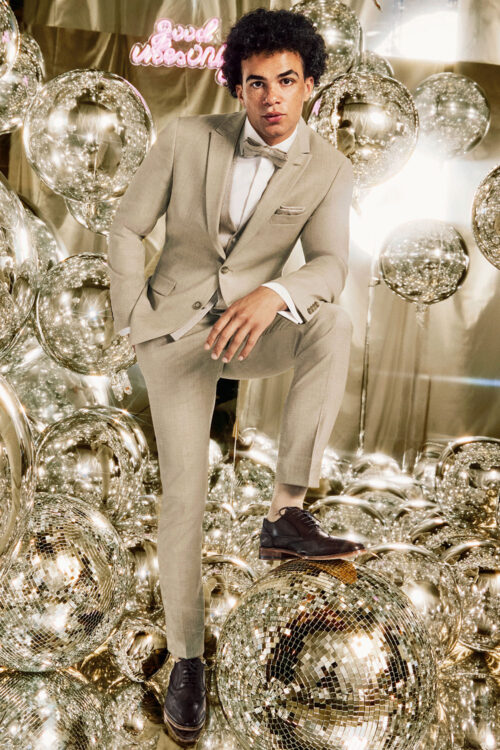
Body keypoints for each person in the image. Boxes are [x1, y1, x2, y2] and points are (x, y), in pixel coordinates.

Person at [107, 7, 363, 745]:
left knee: (332, 323)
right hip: (174, 338)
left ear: (309, 85)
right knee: (183, 500)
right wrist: (133, 320)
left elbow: (331, 265)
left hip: (250, 329)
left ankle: (286, 512)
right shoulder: (186, 137)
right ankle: (187, 659)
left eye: (286, 80)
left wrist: (275, 293)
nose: (271, 97)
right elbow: (126, 226)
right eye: (256, 83)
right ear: (238, 87)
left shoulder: (329, 167)